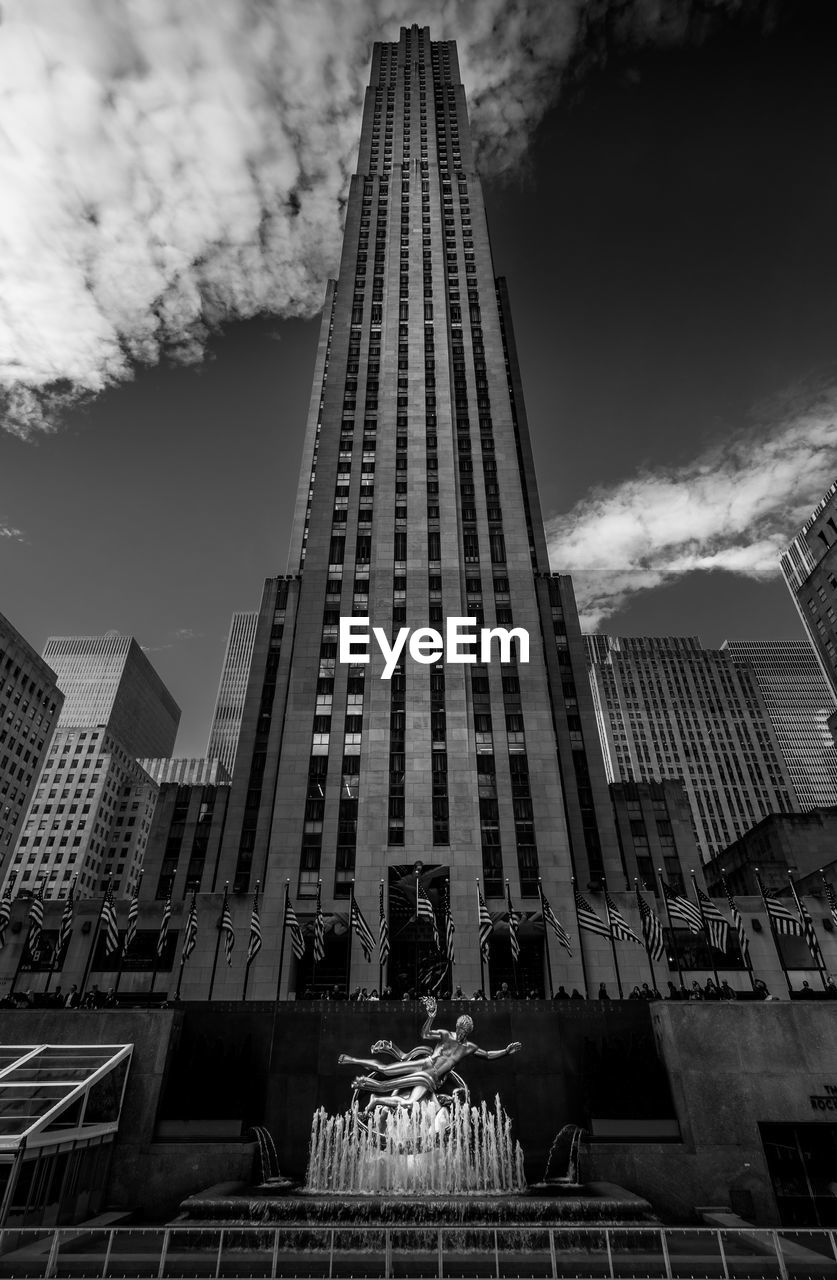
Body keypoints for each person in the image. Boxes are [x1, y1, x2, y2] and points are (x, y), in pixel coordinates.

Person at [338, 995, 522, 1111]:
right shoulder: (444, 1034)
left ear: (469, 1032)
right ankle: (352, 1059)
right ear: (456, 1026)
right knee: (386, 1070)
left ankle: (376, 1099)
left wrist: (506, 1051)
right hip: (425, 1063)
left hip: (432, 1078)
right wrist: (431, 1017)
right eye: (459, 1029)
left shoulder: (469, 1048)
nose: (460, 1033)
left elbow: (488, 1055)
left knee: (410, 1103)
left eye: (464, 1032)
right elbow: (425, 1034)